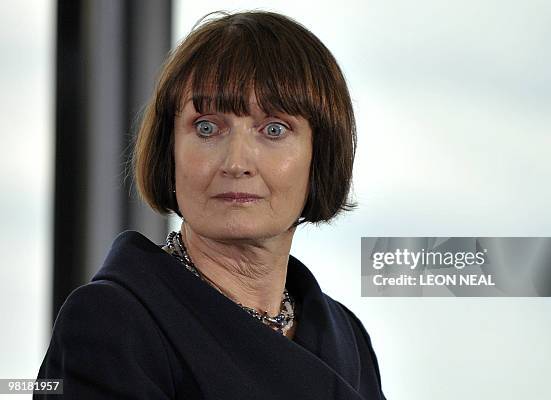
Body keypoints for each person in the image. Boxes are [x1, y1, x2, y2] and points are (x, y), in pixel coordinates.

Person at [36, 10, 386, 399]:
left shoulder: (349, 339)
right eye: (207, 128)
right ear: (170, 151)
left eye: (274, 129)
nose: (236, 163)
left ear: (320, 155)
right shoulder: (112, 323)